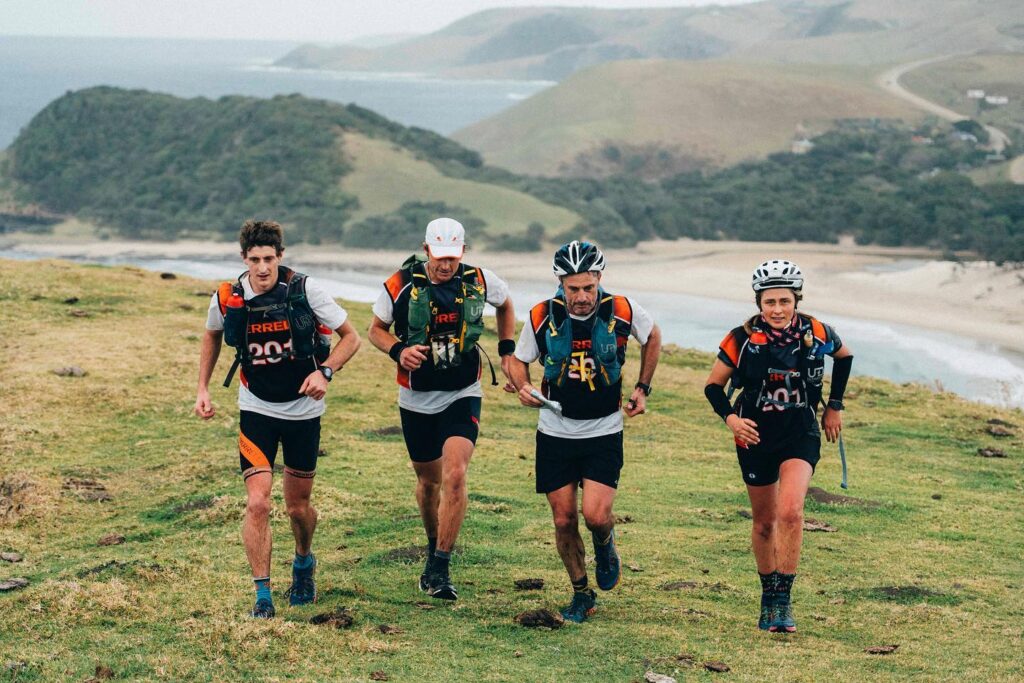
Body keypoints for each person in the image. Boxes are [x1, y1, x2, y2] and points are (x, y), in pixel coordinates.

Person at [195, 219, 361, 619]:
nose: (263, 267)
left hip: (304, 411)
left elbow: (351, 337)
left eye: (269, 259)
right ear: (244, 259)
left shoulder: (305, 290)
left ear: (280, 256)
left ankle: (303, 561)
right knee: (257, 502)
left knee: (297, 508)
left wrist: (325, 373)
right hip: (257, 407)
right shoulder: (228, 297)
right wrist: (202, 388)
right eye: (255, 260)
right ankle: (263, 596)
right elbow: (212, 334)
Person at [508, 240, 661, 623]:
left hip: (604, 430)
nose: (581, 297)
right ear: (560, 283)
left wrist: (642, 388)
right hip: (554, 431)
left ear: (599, 279)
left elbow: (653, 336)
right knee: (563, 520)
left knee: (595, 515)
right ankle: (581, 594)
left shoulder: (622, 310)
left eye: (588, 287)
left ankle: (605, 543)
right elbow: (518, 361)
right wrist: (524, 387)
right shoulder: (541, 315)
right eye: (572, 288)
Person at [367, 217, 516, 601]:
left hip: (462, 392)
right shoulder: (400, 284)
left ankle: (441, 566)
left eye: (453, 256)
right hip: (416, 398)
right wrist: (399, 351)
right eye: (439, 256)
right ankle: (434, 544)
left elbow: (506, 304)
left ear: (462, 252)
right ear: (426, 250)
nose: (446, 264)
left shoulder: (479, 280)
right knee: (429, 482)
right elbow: (375, 330)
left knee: (455, 475)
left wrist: (506, 350)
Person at [703, 259, 853, 633]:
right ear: (759, 303)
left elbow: (844, 356)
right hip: (754, 436)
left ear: (796, 300)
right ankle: (768, 594)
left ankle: (783, 600)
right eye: (769, 302)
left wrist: (834, 406)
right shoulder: (740, 339)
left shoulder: (817, 331)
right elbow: (713, 387)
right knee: (764, 522)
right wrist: (732, 420)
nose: (777, 310)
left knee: (791, 512)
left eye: (785, 301)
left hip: (799, 433)